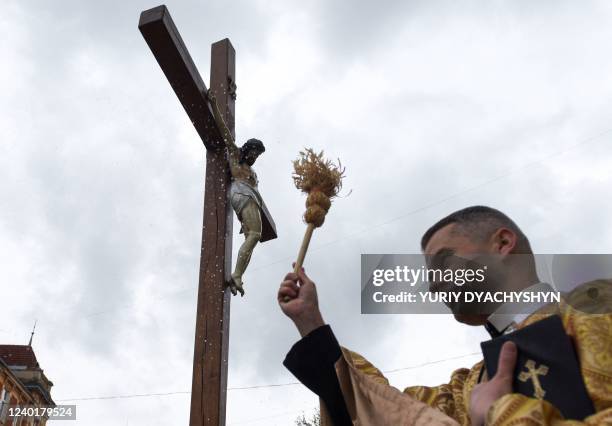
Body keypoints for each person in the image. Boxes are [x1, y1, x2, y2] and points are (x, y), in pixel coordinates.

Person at [278, 206, 612, 425]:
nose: (434, 287)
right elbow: (388, 410)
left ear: (503, 243)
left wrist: (502, 412)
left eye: (444, 261)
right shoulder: (470, 385)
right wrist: (311, 322)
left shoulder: (599, 305)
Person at [208, 91, 266, 296]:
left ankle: (238, 275)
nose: (255, 157)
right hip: (242, 193)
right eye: (254, 153)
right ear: (248, 149)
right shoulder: (234, 153)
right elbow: (223, 130)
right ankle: (237, 275)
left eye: (258, 155)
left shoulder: (251, 170)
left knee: (253, 236)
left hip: (249, 197)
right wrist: (214, 105)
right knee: (255, 235)